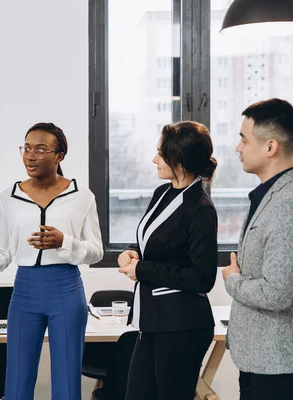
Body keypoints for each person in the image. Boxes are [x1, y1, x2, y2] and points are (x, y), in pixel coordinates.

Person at [0, 122, 104, 400]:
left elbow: (96, 251)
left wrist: (64, 242)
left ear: (59, 155)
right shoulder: (9, 197)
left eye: (41, 149)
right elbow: (3, 253)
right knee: (17, 382)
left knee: (67, 384)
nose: (30, 156)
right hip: (25, 292)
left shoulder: (82, 196)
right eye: (27, 148)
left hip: (66, 290)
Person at [222, 98, 293, 399]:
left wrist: (232, 280)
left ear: (270, 147)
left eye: (243, 139)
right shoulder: (272, 195)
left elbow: (276, 293)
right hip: (267, 363)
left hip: (285, 365)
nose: (237, 148)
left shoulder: (290, 204)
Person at [118, 121, 218, 400]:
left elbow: (203, 278)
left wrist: (143, 269)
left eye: (161, 154)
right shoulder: (162, 193)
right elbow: (155, 244)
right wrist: (131, 252)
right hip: (152, 322)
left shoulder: (201, 209)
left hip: (182, 325)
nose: (154, 159)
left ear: (180, 160)